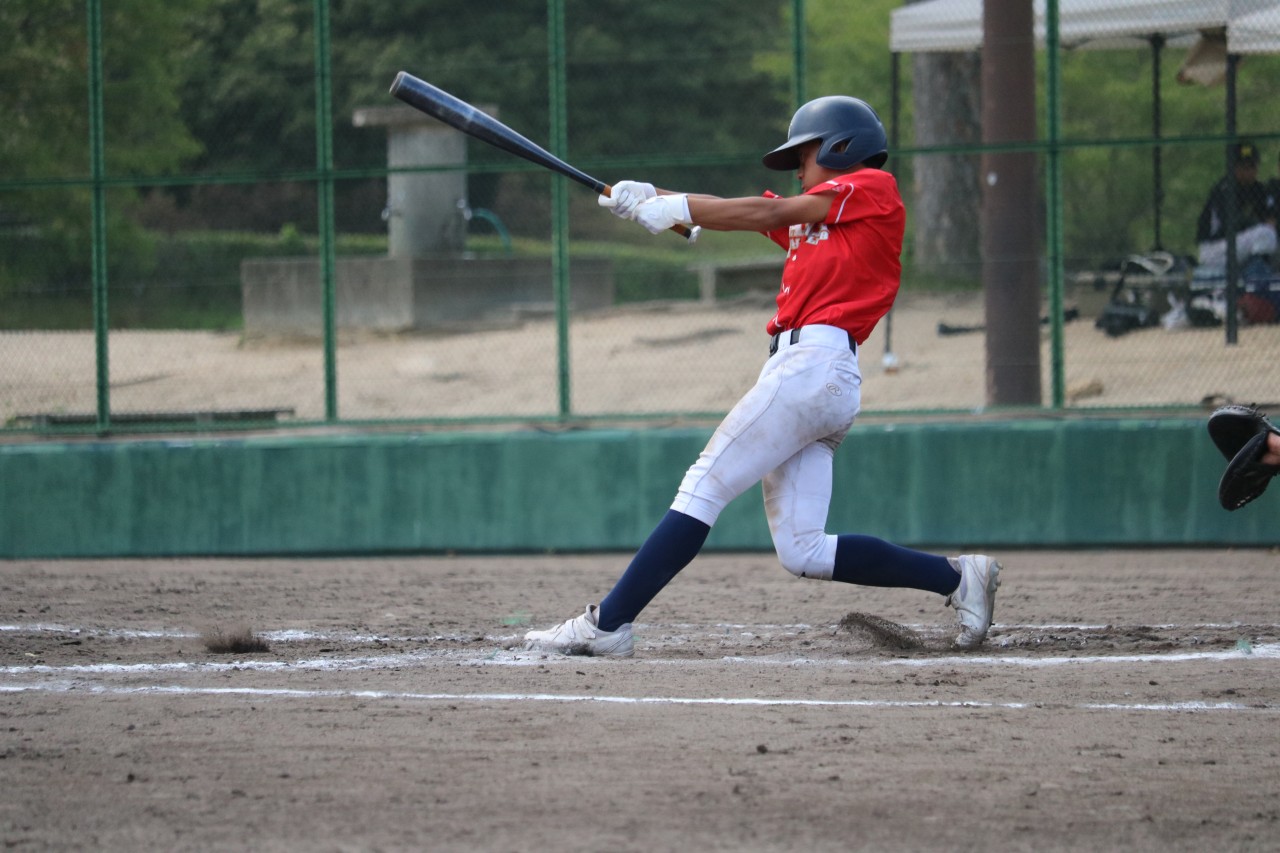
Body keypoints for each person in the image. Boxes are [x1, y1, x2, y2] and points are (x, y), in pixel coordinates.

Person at [523, 96, 1002, 658]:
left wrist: (675, 205)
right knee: (803, 549)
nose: (798, 169)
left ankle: (608, 623)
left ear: (841, 147)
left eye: (804, 155)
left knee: (704, 486)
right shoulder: (820, 219)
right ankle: (956, 578)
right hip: (816, 379)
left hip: (812, 367)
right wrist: (653, 198)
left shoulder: (871, 187)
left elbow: (768, 213)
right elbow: (744, 212)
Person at [1195, 141, 1277, 276]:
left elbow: (1271, 217)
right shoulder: (1224, 189)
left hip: (1240, 246)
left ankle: (1258, 271)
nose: (1249, 171)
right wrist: (1258, 223)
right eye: (1243, 167)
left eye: (1252, 166)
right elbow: (1231, 224)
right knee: (1266, 233)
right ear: (1233, 167)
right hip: (1215, 250)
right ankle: (1257, 274)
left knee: (1268, 234)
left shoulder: (1259, 189)